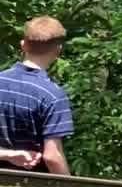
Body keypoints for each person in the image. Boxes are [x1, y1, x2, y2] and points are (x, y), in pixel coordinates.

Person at [0, 17, 73, 175]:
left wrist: (7, 155)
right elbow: (52, 157)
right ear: (58, 50)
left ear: (23, 45)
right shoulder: (52, 95)